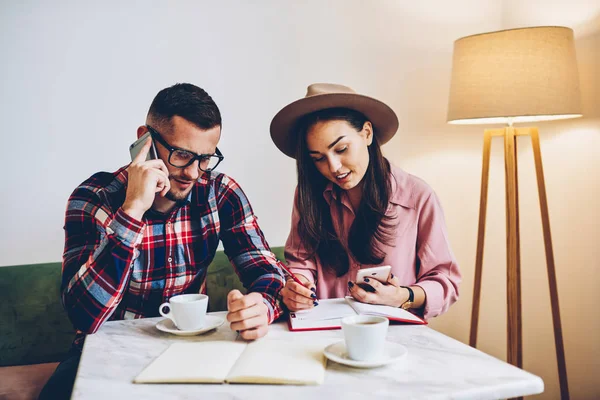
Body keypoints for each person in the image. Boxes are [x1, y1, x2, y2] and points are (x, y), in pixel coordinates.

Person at [39, 83, 285, 400]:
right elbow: (84, 317)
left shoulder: (220, 192)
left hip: (190, 349)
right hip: (107, 353)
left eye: (206, 158)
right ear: (146, 139)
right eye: (182, 155)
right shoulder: (93, 197)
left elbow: (271, 274)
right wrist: (133, 210)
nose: (194, 173)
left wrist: (261, 307)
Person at [270, 83, 460, 318]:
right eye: (318, 158)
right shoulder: (307, 196)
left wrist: (403, 296)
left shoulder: (417, 197)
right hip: (323, 331)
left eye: (341, 149)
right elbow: (301, 261)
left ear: (367, 133)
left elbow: (446, 282)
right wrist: (298, 286)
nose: (333, 167)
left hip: (393, 336)